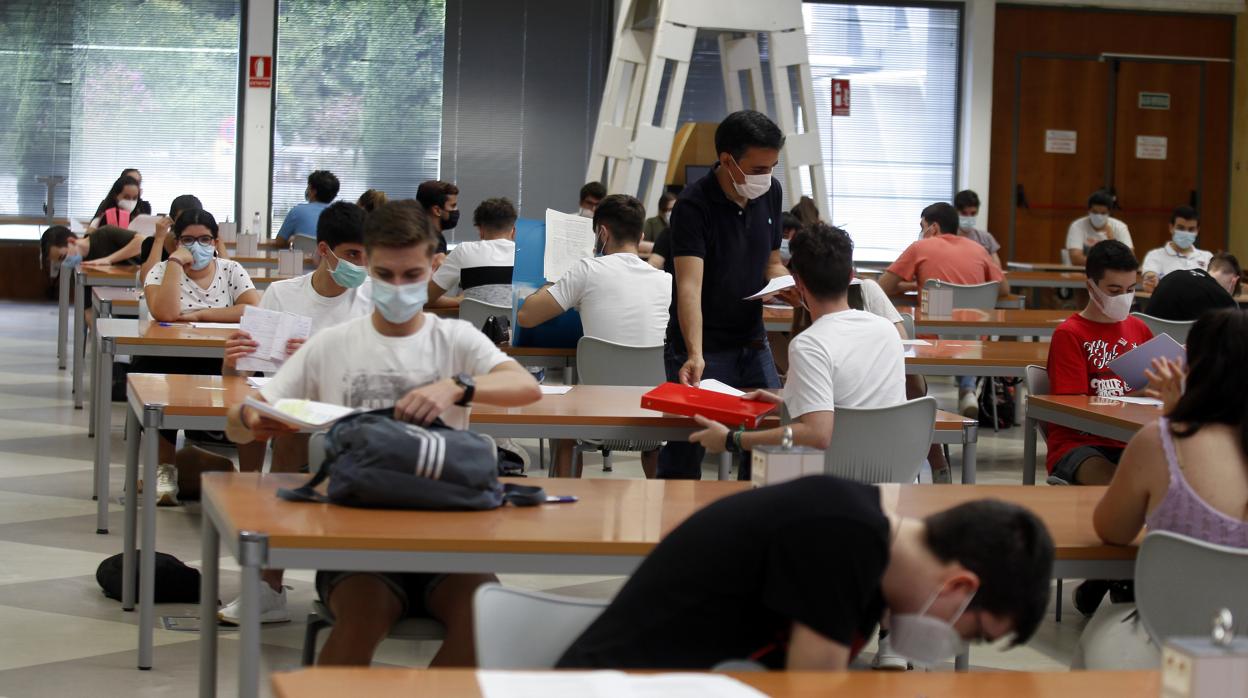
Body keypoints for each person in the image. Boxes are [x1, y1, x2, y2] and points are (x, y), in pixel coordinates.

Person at [226, 199, 542, 666]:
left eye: (412, 276)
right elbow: (242, 424)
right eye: (385, 275)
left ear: (434, 267)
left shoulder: (453, 339)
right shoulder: (333, 345)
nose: (398, 287)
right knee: (360, 623)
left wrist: (459, 386)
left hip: (448, 535)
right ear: (367, 267)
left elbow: (524, 387)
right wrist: (250, 419)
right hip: (358, 543)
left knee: (488, 623)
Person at [557, 476, 1054, 670]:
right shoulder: (843, 535)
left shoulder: (868, 552)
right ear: (960, 586)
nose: (955, 646)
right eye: (975, 631)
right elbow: (813, 690)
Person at [216, 201, 372, 626]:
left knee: (292, 438)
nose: (362, 265)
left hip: (357, 411)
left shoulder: (374, 301)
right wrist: (232, 358)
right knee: (271, 425)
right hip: (293, 410)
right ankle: (266, 583)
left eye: (368, 255)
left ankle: (346, 582)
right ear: (325, 250)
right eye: (354, 254)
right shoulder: (283, 295)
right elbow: (248, 371)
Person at [1074, 309, 1248, 669]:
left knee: (1097, 633)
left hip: (1168, 638)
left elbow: (1113, 530)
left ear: (1192, 367)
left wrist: (1174, 418)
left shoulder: (1163, 442)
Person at [688, 222, 904, 456]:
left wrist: (733, 439)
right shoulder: (886, 330)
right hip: (892, 478)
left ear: (798, 283)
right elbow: (853, 414)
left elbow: (818, 434)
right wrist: (787, 406)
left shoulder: (810, 344)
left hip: (832, 483)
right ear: (851, 276)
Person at [659, 110, 791, 480]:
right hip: (705, 343)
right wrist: (695, 353)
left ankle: (756, 522)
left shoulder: (771, 194)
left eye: (772, 167)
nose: (766, 178)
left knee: (768, 440)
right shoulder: (694, 205)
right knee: (691, 442)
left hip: (752, 339)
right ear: (728, 161)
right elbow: (688, 285)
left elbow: (772, 261)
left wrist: (789, 287)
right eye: (759, 168)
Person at [518, 194, 671, 478]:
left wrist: (557, 278)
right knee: (652, 443)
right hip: (651, 417)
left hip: (594, 414)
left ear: (601, 232)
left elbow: (526, 316)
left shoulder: (586, 270)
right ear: (640, 235)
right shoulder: (664, 280)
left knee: (563, 426)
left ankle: (565, 508)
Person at [142, 209, 261, 504]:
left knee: (250, 385)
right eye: (188, 240)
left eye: (205, 239)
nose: (198, 246)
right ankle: (165, 473)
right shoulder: (161, 270)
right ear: (176, 242)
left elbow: (251, 308)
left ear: (215, 240)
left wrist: (202, 314)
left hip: (223, 356)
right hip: (173, 356)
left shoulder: (231, 270)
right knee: (157, 373)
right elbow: (166, 313)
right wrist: (174, 263)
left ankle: (250, 481)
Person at [878, 202, 1009, 418]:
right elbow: (1002, 289)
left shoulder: (920, 247)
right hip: (975, 340)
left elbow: (884, 287)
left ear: (934, 228)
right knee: (961, 335)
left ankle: (916, 397)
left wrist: (917, 283)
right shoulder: (979, 250)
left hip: (932, 341)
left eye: (922, 226)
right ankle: (967, 389)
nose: (921, 231)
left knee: (902, 326)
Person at [1045, 240, 1152, 486]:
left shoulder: (1139, 328)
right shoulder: (1070, 334)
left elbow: (1152, 390)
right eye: (1114, 291)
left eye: (1130, 289)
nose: (1124, 298)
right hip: (1081, 444)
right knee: (1119, 485)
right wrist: (1135, 395)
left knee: (1174, 475)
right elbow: (1073, 407)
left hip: (1131, 438)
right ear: (1091, 287)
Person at [428, 197, 517, 308]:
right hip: (516, 325)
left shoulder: (463, 251)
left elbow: (425, 298)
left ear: (480, 230)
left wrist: (461, 301)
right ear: (513, 231)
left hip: (474, 324)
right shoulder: (528, 255)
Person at [1145, 252, 1241, 321]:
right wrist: (1228, 298)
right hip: (1188, 347)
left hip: (1147, 343)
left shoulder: (1173, 275)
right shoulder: (1224, 299)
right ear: (1234, 281)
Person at [139, 194, 208, 284]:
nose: (187, 225)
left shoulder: (204, 246)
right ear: (172, 221)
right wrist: (159, 240)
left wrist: (218, 240)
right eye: (182, 220)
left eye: (192, 220)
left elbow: (227, 279)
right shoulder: (152, 243)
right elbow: (146, 280)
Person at [1140, 206, 1211, 292]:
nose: (1186, 233)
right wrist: (1151, 280)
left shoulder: (1208, 257)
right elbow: (1150, 277)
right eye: (1181, 228)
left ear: (1197, 230)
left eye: (1191, 229)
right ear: (1171, 227)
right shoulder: (1155, 256)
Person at [40, 223, 145, 274]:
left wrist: (108, 260)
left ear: (71, 241)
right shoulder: (79, 271)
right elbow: (88, 310)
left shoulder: (105, 233)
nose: (65, 263)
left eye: (63, 257)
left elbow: (141, 241)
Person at [1066, 190, 1133, 266]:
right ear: (1089, 210)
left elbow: (1129, 258)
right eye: (1095, 212)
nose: (1098, 216)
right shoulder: (1077, 226)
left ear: (1109, 212)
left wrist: (1112, 242)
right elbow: (1076, 259)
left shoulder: (1120, 227)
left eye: (1103, 213)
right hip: (1082, 273)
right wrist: (1109, 262)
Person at [276, 170, 339, 242]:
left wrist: (295, 240)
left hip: (304, 252)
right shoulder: (340, 216)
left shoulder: (297, 211)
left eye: (308, 187)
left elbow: (279, 242)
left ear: (313, 192)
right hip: (329, 253)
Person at [953, 190, 1002, 269]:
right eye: (964, 213)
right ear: (955, 212)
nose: (969, 217)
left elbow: (997, 270)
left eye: (973, 213)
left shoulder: (985, 238)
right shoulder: (947, 237)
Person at [415, 180, 459, 256]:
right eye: (453, 206)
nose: (456, 210)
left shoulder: (416, 235)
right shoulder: (434, 242)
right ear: (437, 210)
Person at [640, 191, 676, 255]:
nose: (670, 212)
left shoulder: (682, 225)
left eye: (673, 209)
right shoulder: (651, 222)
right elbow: (641, 244)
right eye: (667, 209)